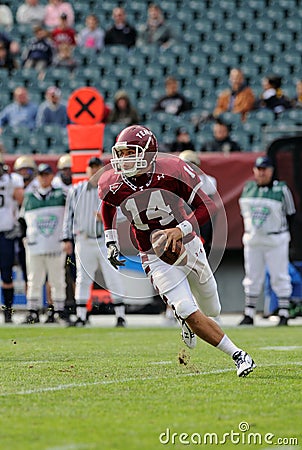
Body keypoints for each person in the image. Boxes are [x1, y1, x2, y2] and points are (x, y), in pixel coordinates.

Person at [98, 124, 256, 377]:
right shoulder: (113, 182)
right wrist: (110, 239)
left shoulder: (173, 170)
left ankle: (190, 321)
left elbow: (208, 206)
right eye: (121, 153)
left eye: (131, 153)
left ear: (148, 154)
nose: (124, 159)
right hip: (152, 253)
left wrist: (179, 230)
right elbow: (108, 205)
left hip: (188, 243)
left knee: (212, 308)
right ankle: (239, 355)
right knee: (184, 307)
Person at [62, 157, 127, 327]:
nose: (94, 171)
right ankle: (81, 315)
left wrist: (105, 218)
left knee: (113, 276)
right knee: (83, 278)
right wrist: (66, 237)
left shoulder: (110, 190)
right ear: (86, 170)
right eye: (92, 167)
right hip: (83, 239)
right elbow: (68, 216)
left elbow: (123, 213)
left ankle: (120, 315)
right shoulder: (75, 190)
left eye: (97, 167)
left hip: (104, 240)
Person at [238, 156, 296, 327]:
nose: (262, 173)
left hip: (276, 238)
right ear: (254, 171)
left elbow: (290, 213)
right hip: (253, 238)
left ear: (272, 171)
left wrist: (284, 233)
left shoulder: (281, 189)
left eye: (265, 169)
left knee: (280, 274)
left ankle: (284, 311)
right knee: (252, 275)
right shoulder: (248, 188)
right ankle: (249, 312)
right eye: (259, 169)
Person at [20, 163, 66, 324]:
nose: (43, 178)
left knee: (57, 280)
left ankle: (58, 310)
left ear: (52, 176)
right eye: (41, 175)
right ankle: (32, 311)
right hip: (35, 244)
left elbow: (69, 216)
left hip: (55, 244)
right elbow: (21, 220)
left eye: (46, 174)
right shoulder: (30, 196)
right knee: (34, 279)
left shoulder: (62, 194)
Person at [0, 154, 24, 323]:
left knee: (7, 274)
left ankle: (8, 313)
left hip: (6, 232)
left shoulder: (11, 179)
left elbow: (20, 198)